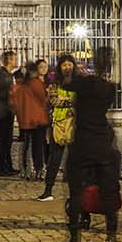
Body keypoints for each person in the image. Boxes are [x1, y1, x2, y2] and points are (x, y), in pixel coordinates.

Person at [62, 47, 122, 242]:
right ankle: (111, 237)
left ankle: (75, 238)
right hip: (103, 143)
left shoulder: (84, 83)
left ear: (94, 61)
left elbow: (65, 82)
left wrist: (75, 70)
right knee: (108, 192)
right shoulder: (110, 88)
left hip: (83, 142)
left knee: (76, 191)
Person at [37, 54, 77, 201]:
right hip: (59, 123)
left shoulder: (78, 83)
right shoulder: (55, 83)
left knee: (75, 159)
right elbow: (53, 101)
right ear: (60, 67)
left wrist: (65, 100)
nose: (67, 67)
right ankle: (48, 190)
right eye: (64, 65)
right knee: (55, 158)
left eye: (70, 64)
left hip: (75, 124)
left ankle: (76, 191)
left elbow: (80, 100)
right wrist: (69, 101)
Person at [14, 59, 50, 180]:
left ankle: (26, 170)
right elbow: (43, 99)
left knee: (26, 145)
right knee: (38, 145)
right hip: (38, 118)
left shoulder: (20, 86)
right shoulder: (36, 83)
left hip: (25, 119)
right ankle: (38, 169)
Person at [0, 50, 20, 176]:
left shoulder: (8, 74)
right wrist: (12, 91)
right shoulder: (0, 74)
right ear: (8, 60)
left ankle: (8, 166)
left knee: (8, 140)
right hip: (2, 110)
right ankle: (0, 168)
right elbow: (0, 92)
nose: (16, 61)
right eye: (14, 59)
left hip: (7, 109)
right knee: (4, 140)